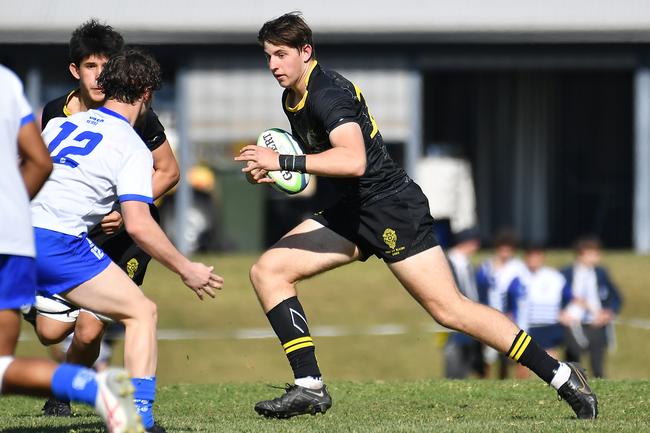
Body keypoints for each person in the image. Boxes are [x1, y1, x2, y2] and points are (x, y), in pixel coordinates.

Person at [235, 11, 597, 420]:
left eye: (281, 55)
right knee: (269, 271)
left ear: (306, 51)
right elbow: (322, 165)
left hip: (392, 209)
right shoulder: (292, 97)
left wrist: (286, 159)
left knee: (450, 310)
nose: (273, 66)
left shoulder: (326, 93)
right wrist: (278, 173)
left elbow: (353, 161)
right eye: (268, 56)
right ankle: (309, 386)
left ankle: (562, 375)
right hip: (352, 210)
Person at [31, 49, 223, 433]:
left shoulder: (60, 125)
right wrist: (186, 269)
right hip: (58, 243)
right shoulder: (132, 146)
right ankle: (139, 419)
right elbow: (138, 225)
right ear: (147, 93)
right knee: (141, 313)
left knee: (52, 331)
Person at [0, 63, 143, 433]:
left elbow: (168, 172)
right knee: (40, 338)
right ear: (74, 70)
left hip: (74, 238)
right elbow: (36, 161)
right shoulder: (26, 94)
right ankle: (96, 387)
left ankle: (92, 388)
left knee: (108, 323)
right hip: (35, 238)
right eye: (90, 66)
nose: (98, 76)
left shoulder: (141, 129)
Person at [506, 245, 572, 379]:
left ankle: (554, 385)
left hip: (548, 326)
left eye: (536, 256)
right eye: (530, 256)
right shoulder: (518, 279)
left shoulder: (554, 277)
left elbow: (569, 297)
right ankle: (522, 388)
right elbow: (510, 301)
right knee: (523, 361)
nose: (533, 260)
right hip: (526, 327)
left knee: (552, 361)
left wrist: (565, 312)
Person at [561, 236, 623, 378]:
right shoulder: (565, 273)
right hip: (573, 324)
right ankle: (572, 387)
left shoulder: (601, 273)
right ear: (581, 254)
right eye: (593, 253)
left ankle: (600, 391)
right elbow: (557, 297)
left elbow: (616, 297)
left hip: (596, 323)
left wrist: (609, 312)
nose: (597, 257)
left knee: (597, 363)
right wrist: (561, 313)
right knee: (573, 359)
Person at [476, 228, 526, 378]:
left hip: (512, 316)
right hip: (489, 314)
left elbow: (522, 293)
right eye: (502, 249)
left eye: (508, 249)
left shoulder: (518, 268)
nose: (505, 252)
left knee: (512, 352)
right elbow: (480, 291)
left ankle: (509, 381)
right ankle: (485, 380)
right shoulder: (486, 267)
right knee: (488, 353)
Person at [443, 228, 485, 379]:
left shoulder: (467, 264)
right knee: (455, 360)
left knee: (469, 361)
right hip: (453, 320)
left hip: (470, 317)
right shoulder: (448, 262)